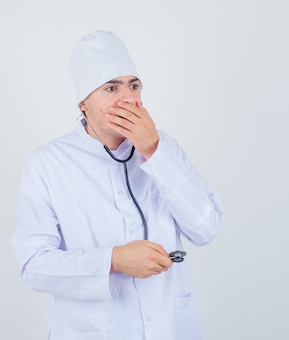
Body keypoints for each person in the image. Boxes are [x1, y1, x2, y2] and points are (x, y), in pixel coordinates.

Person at [12, 30, 224, 340]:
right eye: (112, 87)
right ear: (83, 103)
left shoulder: (165, 148)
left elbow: (206, 229)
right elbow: (33, 265)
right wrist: (113, 260)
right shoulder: (46, 164)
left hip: (170, 328)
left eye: (134, 85)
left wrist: (154, 153)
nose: (128, 98)